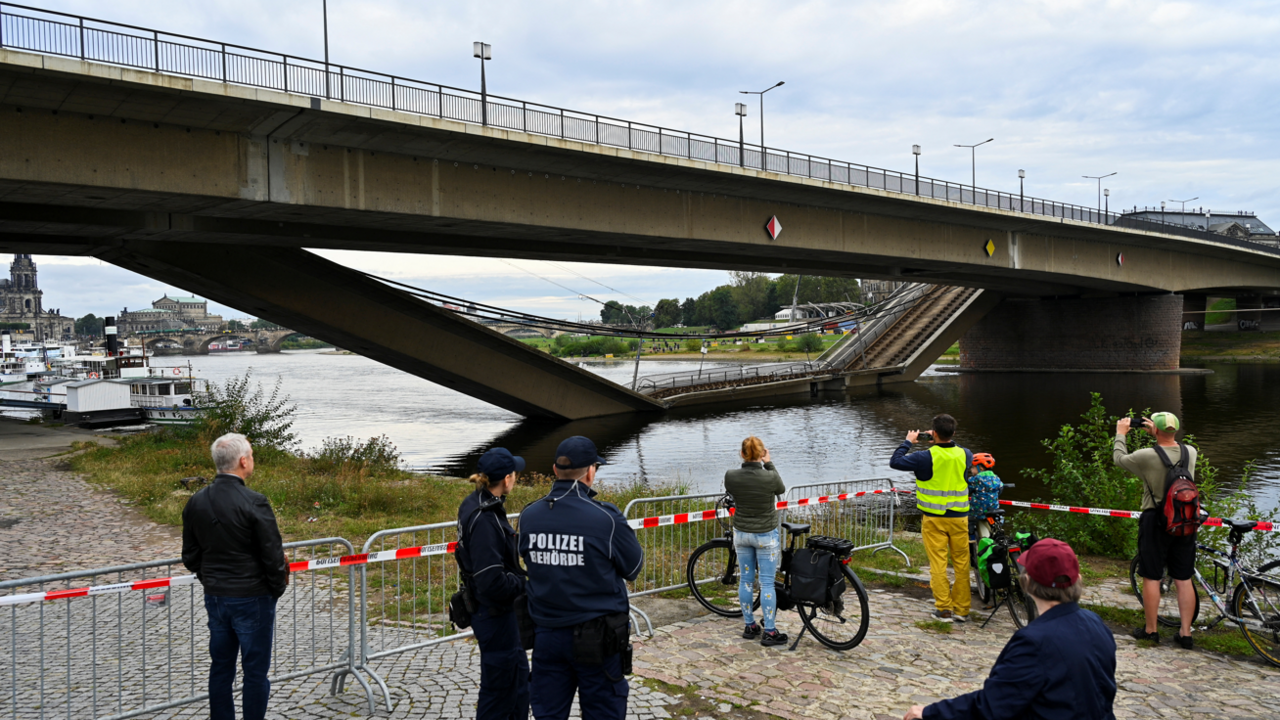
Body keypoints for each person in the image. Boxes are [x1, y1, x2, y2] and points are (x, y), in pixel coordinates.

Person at [902, 539, 1117, 720]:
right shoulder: (1096, 624)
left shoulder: (1034, 641)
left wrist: (929, 713)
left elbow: (992, 706)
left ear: (1028, 583)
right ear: (1077, 580)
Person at [518, 436, 644, 720]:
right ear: (591, 472)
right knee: (603, 711)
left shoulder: (529, 515)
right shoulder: (606, 518)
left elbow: (526, 560)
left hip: (547, 633)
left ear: (554, 470)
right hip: (597, 636)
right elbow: (633, 566)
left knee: (547, 712)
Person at [181, 433, 288, 720]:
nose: (252, 459)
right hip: (253, 596)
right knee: (255, 671)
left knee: (221, 667)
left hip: (216, 597)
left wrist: (212, 579)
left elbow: (190, 557)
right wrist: (275, 589)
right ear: (243, 461)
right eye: (251, 455)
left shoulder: (196, 502)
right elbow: (273, 556)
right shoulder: (255, 502)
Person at [456, 447, 529, 720]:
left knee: (519, 680)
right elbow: (491, 580)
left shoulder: (474, 501)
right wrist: (526, 585)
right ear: (507, 479)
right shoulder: (485, 517)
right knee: (498, 691)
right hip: (494, 614)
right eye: (515, 473)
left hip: (496, 614)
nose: (517, 477)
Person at [1114, 411, 1198, 648]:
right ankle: (1185, 633)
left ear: (1156, 430)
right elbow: (1169, 451)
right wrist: (1159, 433)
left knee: (1151, 575)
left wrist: (1121, 434)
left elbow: (1119, 459)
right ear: (1176, 429)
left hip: (1156, 520)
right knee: (1183, 577)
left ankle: (1151, 631)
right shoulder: (1190, 452)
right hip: (1185, 520)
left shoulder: (1146, 456)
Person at [890, 414, 973, 622]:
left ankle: (944, 609)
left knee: (938, 564)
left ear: (933, 433)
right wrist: (943, 438)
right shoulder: (966, 454)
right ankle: (962, 610)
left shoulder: (924, 457)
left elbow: (895, 462)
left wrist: (908, 441)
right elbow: (956, 451)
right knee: (962, 564)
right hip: (960, 518)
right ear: (953, 433)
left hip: (934, 519)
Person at [723, 436, 788, 646]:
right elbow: (780, 489)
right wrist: (769, 462)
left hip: (742, 533)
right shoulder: (769, 477)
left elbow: (734, 492)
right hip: (765, 534)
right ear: (761, 454)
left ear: (741, 454)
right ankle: (770, 631)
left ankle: (749, 625)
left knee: (746, 580)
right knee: (767, 583)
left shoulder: (731, 476)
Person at [966, 453, 1004, 542]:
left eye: (973, 467)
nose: (971, 470)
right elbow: (1000, 489)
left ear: (981, 468)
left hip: (978, 511)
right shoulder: (997, 478)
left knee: (968, 517)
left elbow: (967, 490)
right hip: (993, 509)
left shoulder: (975, 479)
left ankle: (970, 537)